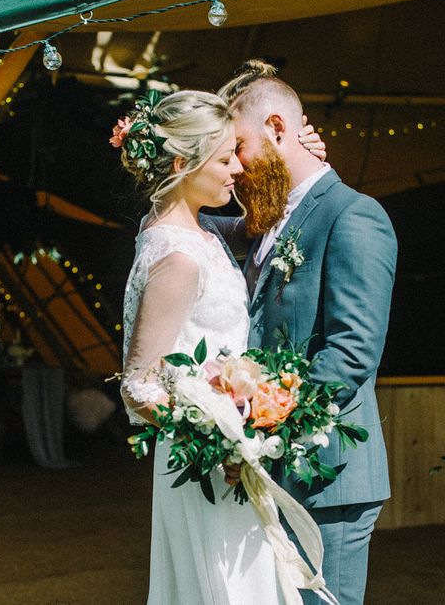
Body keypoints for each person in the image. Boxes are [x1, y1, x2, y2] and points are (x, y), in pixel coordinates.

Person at [116, 89, 325, 605]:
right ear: (185, 162)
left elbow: (263, 224)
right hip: (207, 466)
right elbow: (137, 384)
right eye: (226, 156)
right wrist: (228, 439)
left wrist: (301, 164)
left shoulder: (188, 228)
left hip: (220, 461)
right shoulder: (180, 258)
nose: (238, 169)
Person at [215, 61, 397, 605]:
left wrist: (259, 426)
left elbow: (350, 355)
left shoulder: (353, 216)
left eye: (238, 146)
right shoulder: (268, 221)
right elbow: (187, 220)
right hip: (275, 472)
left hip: (328, 478)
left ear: (276, 128)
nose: (233, 165)